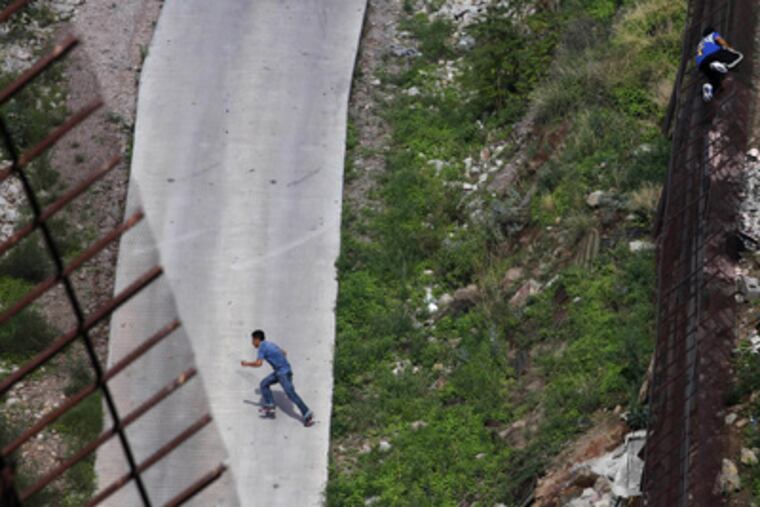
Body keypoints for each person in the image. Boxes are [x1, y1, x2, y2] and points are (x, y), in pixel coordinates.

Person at [240, 329, 314, 427]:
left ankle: (307, 414)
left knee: (291, 394)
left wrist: (247, 364)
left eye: (253, 340)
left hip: (282, 373)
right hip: (282, 371)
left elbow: (258, 363)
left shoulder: (262, 347)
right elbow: (284, 352)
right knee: (264, 384)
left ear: (257, 339)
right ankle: (270, 405)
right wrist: (281, 364)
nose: (252, 343)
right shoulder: (270, 344)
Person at [696, 26, 740, 102]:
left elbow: (699, 55)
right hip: (712, 55)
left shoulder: (700, 44)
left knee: (715, 81)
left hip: (701, 64)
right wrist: (730, 48)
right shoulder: (712, 34)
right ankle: (719, 64)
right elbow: (720, 41)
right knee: (734, 56)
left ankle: (708, 88)